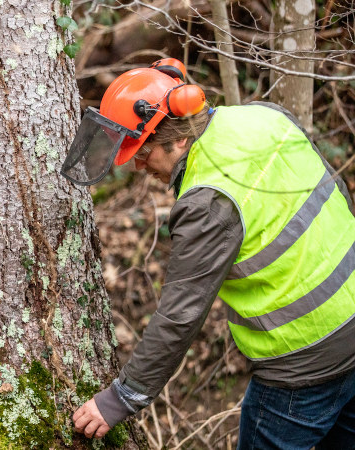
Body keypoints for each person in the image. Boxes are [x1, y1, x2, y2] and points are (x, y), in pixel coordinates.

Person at [64, 58, 355, 449]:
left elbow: (180, 315)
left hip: (302, 366)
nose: (138, 166)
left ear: (179, 139)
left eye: (144, 153)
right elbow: (338, 195)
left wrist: (121, 398)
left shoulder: (208, 200)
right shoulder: (265, 117)